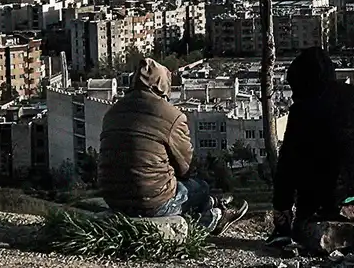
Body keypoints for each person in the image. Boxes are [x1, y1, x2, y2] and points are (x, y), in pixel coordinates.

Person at [98, 58, 248, 234]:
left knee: (189, 190)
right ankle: (213, 219)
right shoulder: (172, 115)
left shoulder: (112, 112)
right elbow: (186, 167)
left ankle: (212, 205)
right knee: (200, 187)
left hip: (112, 197)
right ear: (163, 85)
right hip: (151, 201)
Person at [267, 47, 354, 245]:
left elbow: (287, 163)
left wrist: (281, 206)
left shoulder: (303, 109)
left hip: (329, 197)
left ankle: (288, 227)